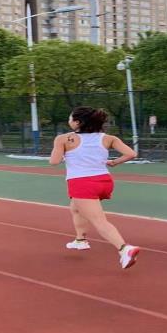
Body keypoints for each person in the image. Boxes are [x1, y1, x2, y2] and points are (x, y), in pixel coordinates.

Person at [49, 106, 140, 269]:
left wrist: (64, 155)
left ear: (77, 122)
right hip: (104, 181)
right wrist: (114, 162)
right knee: (76, 208)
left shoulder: (63, 138)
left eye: (70, 118)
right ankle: (80, 240)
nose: (69, 121)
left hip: (82, 183)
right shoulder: (108, 138)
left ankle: (124, 249)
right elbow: (131, 154)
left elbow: (54, 162)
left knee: (99, 221)